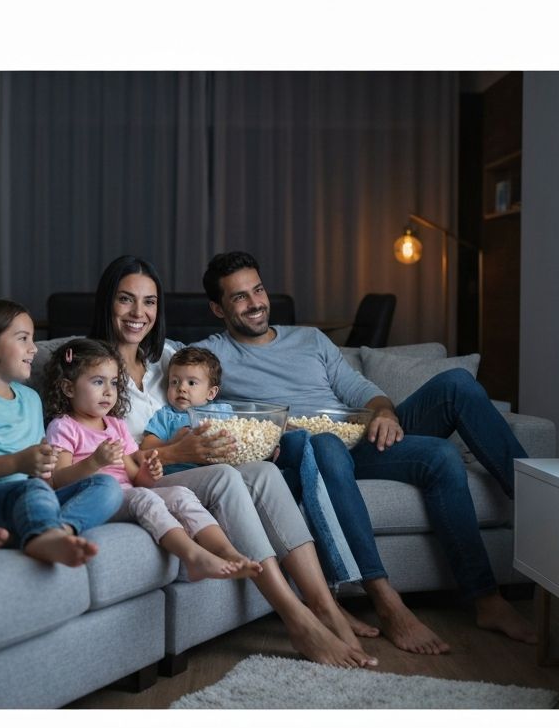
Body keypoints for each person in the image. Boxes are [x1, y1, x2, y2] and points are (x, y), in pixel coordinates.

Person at [194, 250, 538, 649]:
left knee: (456, 388)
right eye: (239, 297)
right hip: (309, 452)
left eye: (258, 290)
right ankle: (385, 601)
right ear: (217, 308)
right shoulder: (210, 356)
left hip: (359, 440)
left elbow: (359, 389)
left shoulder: (310, 338)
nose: (255, 303)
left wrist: (384, 413)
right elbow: (167, 375)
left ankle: (504, 573)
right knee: (335, 445)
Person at [89, 254, 379, 668]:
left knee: (263, 471)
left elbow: (211, 397)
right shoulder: (93, 368)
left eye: (149, 301)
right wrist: (174, 452)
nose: (139, 313)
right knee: (226, 477)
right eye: (125, 299)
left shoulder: (167, 357)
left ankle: (325, 606)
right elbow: (94, 450)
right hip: (143, 477)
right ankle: (296, 619)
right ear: (107, 302)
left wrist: (254, 442)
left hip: (192, 469)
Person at [43, 337, 261, 582]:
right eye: (97, 382)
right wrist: (94, 462)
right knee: (144, 498)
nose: (108, 391)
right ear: (69, 388)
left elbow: (135, 478)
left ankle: (227, 552)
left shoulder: (115, 425)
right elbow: (59, 480)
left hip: (128, 493)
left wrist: (148, 472)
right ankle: (194, 557)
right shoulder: (64, 427)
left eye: (113, 383)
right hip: (98, 500)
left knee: (180, 494)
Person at [0, 298, 123, 565]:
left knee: (107, 486)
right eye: (23, 338)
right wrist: (17, 463)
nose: (34, 348)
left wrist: (44, 469)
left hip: (29, 496)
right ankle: (40, 534)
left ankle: (57, 532)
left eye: (32, 339)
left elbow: (43, 474)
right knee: (31, 490)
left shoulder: (30, 399)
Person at [140, 346, 234, 475]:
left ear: (211, 393)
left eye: (191, 383)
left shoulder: (221, 412)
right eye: (174, 382)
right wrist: (172, 444)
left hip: (218, 466)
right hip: (179, 472)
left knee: (261, 469)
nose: (181, 388)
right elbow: (145, 445)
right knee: (225, 473)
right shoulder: (166, 415)